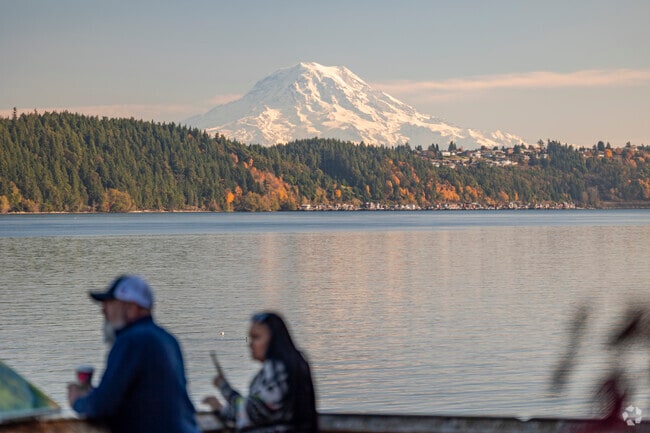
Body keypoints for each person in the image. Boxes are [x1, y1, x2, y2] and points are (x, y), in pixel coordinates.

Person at [67, 274, 200, 433]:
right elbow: (146, 397)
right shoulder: (168, 339)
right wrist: (94, 394)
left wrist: (79, 401)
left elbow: (102, 405)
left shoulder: (130, 341)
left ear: (132, 308)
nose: (103, 309)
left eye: (110, 303)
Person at [203, 312, 317, 433]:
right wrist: (222, 399)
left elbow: (252, 413)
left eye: (256, 337)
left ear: (274, 340)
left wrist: (222, 392)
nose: (250, 344)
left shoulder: (277, 369)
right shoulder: (293, 363)